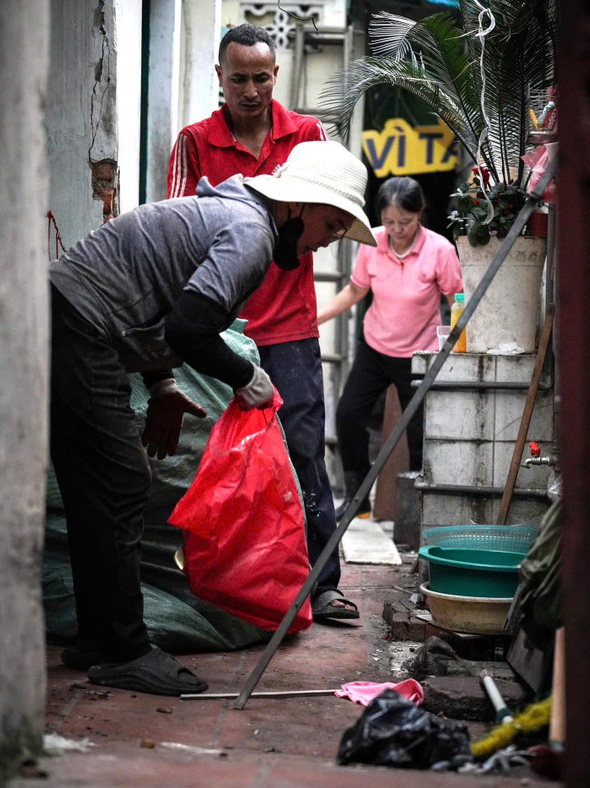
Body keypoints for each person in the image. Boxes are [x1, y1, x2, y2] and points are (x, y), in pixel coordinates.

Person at [49, 141, 375, 696]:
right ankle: (125, 649)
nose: (328, 241)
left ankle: (99, 638)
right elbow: (189, 327)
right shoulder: (249, 233)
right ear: (295, 207)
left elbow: (156, 307)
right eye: (331, 223)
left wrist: (164, 385)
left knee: (94, 489)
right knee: (123, 484)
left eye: (341, 231)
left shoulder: (236, 218)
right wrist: (244, 378)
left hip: (71, 317)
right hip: (78, 323)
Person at [166, 23, 360, 624]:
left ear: (276, 78)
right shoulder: (194, 140)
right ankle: (228, 578)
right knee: (213, 458)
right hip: (220, 325)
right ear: (219, 79)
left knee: (303, 453)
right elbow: (181, 227)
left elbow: (327, 221)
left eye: (261, 78)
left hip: (291, 326)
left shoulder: (306, 135)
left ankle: (321, 583)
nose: (250, 90)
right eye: (239, 78)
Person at [318, 176, 463, 518]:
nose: (396, 230)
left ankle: (416, 511)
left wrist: (459, 347)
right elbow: (355, 291)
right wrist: (316, 317)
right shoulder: (371, 243)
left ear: (421, 215)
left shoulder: (440, 250)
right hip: (375, 347)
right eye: (388, 222)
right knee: (348, 415)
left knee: (418, 434)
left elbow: (456, 299)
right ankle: (357, 502)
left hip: (418, 353)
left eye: (405, 222)